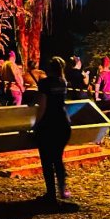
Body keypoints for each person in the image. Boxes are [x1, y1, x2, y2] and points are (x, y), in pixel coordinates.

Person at [34, 56, 72, 202]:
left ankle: (51, 194)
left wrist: (36, 124)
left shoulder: (44, 83)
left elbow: (42, 105)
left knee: (47, 161)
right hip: (63, 123)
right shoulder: (63, 82)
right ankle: (62, 190)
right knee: (58, 159)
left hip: (49, 124)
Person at [95, 57, 110, 137]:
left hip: (103, 98)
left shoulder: (101, 74)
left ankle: (101, 132)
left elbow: (97, 86)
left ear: (101, 64)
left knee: (102, 115)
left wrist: (96, 96)